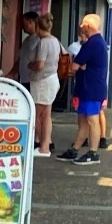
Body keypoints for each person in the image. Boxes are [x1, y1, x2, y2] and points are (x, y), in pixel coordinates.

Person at [59, 14, 108, 166]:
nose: (80, 27)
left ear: (88, 26)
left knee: (92, 120)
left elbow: (73, 66)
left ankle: (93, 152)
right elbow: (78, 65)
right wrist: (81, 65)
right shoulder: (96, 43)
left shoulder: (92, 44)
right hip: (86, 86)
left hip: (91, 87)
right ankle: (75, 148)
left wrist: (79, 65)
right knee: (83, 121)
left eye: (82, 25)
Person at [27, 13, 62, 156]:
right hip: (52, 78)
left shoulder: (43, 42)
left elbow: (40, 64)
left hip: (42, 81)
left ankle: (41, 145)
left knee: (35, 114)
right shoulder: (55, 41)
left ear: (37, 26)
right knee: (46, 115)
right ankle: (45, 146)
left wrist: (30, 65)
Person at [15, 12, 39, 88]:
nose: (22, 27)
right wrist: (11, 74)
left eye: (23, 23)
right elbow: (21, 59)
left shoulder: (40, 40)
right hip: (24, 80)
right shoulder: (26, 40)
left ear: (30, 22)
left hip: (34, 82)